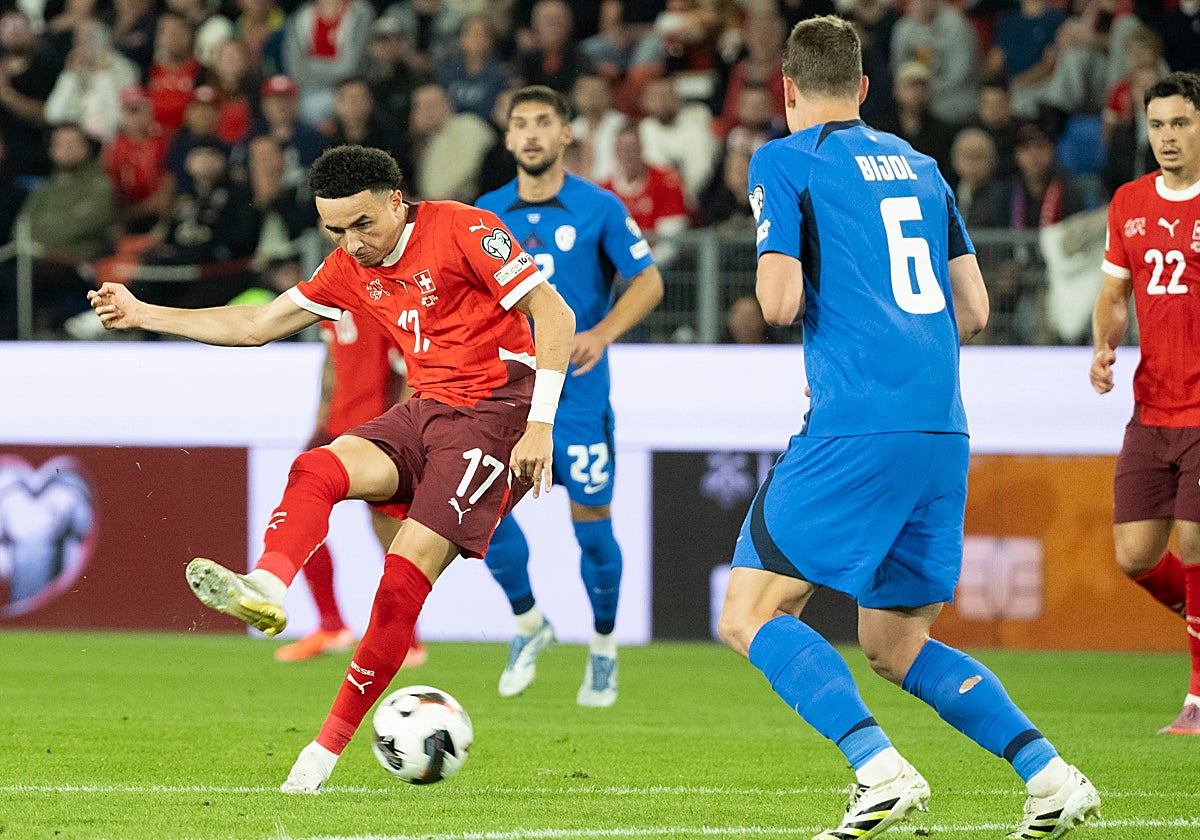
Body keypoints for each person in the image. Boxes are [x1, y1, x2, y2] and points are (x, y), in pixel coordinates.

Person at [87, 143, 576, 792]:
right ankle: (267, 586)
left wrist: (540, 423)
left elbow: (554, 312)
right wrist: (145, 313)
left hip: (496, 418)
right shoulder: (350, 265)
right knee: (316, 467)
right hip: (427, 409)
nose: (352, 242)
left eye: (363, 224)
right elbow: (259, 323)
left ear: (397, 201)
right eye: (335, 229)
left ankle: (318, 756)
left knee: (398, 585)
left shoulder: (464, 228)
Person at [719, 15, 1100, 840]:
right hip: (942, 428)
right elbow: (977, 307)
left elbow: (779, 302)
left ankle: (880, 771)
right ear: (863, 88)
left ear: (786, 87)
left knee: (749, 612)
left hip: (859, 422)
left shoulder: (785, 160)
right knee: (893, 642)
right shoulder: (924, 166)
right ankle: (1051, 777)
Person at [475, 85, 663, 707]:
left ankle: (604, 646)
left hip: (579, 400)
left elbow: (648, 280)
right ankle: (530, 623)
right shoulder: (485, 212)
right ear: (507, 138)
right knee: (483, 513)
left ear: (565, 136)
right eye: (519, 122)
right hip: (508, 396)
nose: (530, 133)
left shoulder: (599, 207)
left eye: (543, 122)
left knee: (592, 528)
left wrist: (603, 332)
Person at [1090, 70, 1200, 737]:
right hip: (1150, 409)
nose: (1167, 137)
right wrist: (1104, 346)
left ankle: (1197, 701)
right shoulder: (1129, 202)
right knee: (1134, 555)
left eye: (1180, 123)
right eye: (1157, 125)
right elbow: (1113, 295)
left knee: (1195, 544)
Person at [274, 313, 427, 668]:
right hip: (336, 426)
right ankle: (331, 625)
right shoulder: (336, 291)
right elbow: (330, 364)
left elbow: (409, 371)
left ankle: (408, 640)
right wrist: (319, 424)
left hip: (379, 428)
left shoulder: (386, 297)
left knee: (390, 534)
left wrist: (401, 434)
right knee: (298, 513)